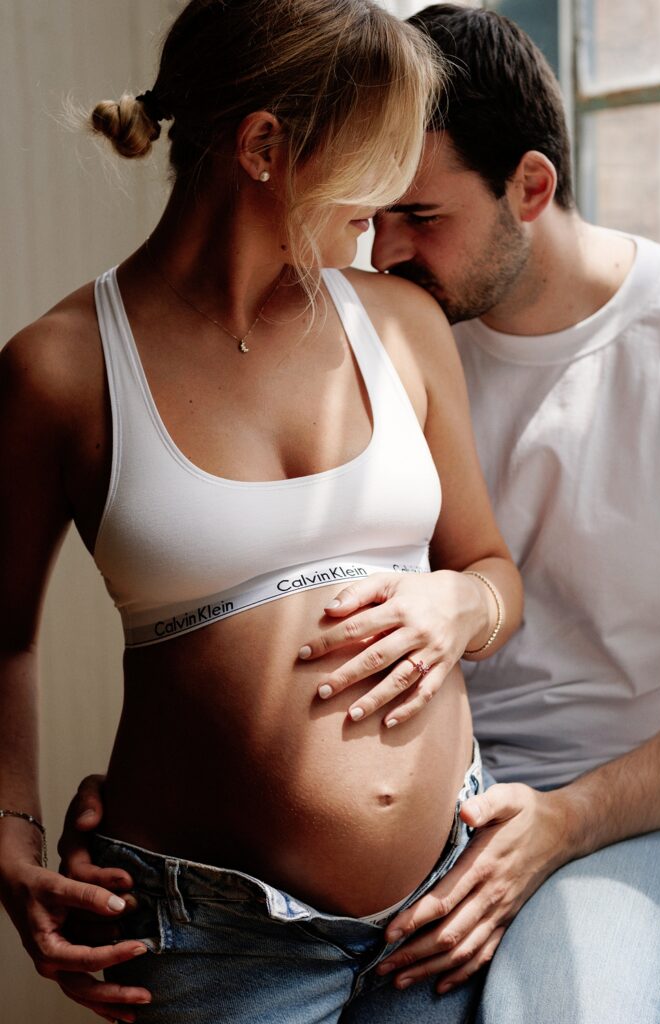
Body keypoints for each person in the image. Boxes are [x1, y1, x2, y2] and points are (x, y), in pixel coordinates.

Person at [0, 2, 524, 1023]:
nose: (383, 210)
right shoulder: (57, 371)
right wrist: (10, 832)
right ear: (263, 147)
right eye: (371, 168)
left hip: (440, 910)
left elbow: (492, 569)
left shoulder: (402, 325)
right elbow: (2, 635)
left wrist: (459, 607)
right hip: (214, 941)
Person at [366, 5, 660, 1023]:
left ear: (530, 186)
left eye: (418, 216)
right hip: (437, 809)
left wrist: (564, 820)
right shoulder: (391, 349)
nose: (382, 253)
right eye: (373, 215)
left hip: (632, 805)